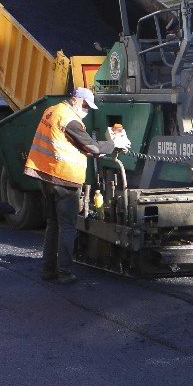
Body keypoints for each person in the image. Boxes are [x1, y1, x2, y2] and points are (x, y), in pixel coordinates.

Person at [24, 87, 130, 284]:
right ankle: (64, 272)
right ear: (75, 100)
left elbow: (73, 143)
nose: (86, 110)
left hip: (46, 175)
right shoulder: (69, 119)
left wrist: (95, 149)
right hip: (64, 178)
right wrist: (114, 144)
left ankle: (48, 270)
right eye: (85, 105)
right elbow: (91, 146)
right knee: (67, 227)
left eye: (88, 107)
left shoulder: (52, 110)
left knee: (53, 224)